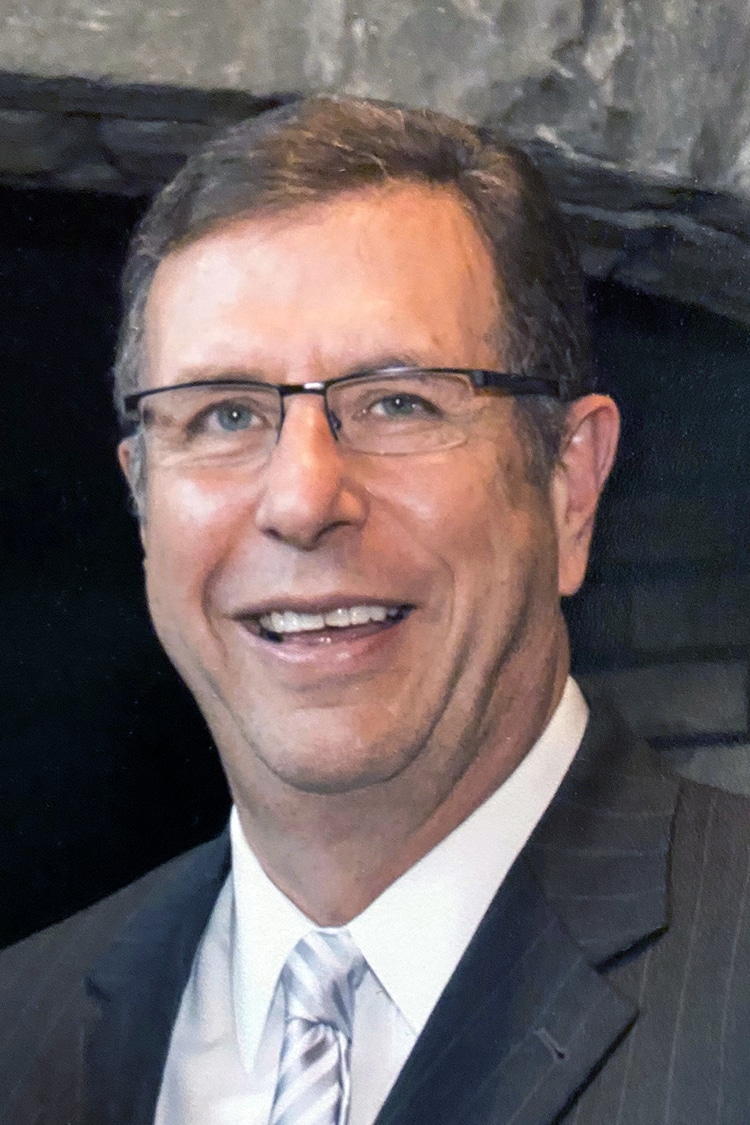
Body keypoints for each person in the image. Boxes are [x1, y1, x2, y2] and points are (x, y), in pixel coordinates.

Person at [2, 95, 749, 1125]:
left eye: (399, 401)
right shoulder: (20, 1027)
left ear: (570, 487)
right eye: (224, 414)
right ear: (141, 499)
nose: (302, 501)